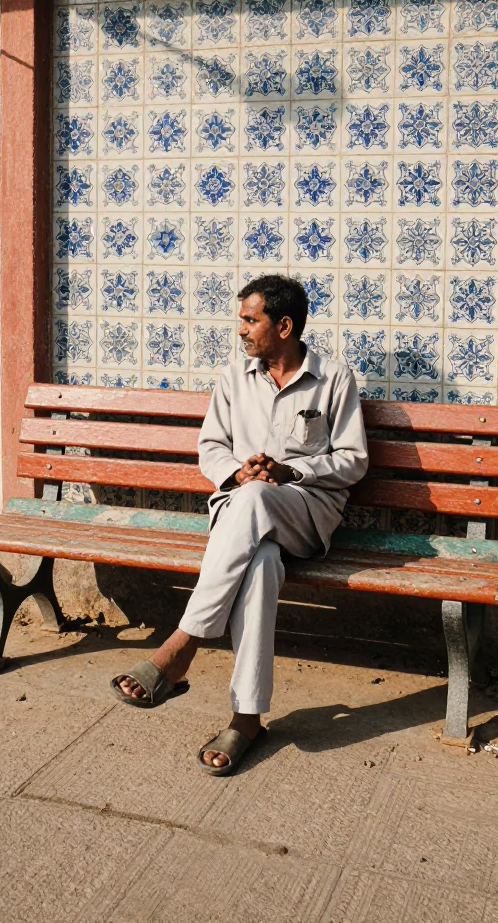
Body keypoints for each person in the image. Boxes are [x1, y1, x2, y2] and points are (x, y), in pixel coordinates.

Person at [110, 274, 369, 775]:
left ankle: (181, 645)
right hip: (244, 518)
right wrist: (237, 471)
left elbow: (354, 460)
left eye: (251, 320)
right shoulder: (232, 378)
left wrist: (296, 470)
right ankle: (247, 718)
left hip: (305, 511)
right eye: (242, 320)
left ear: (285, 325)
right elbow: (211, 447)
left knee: (258, 501)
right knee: (262, 563)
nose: (241, 330)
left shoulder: (335, 378)